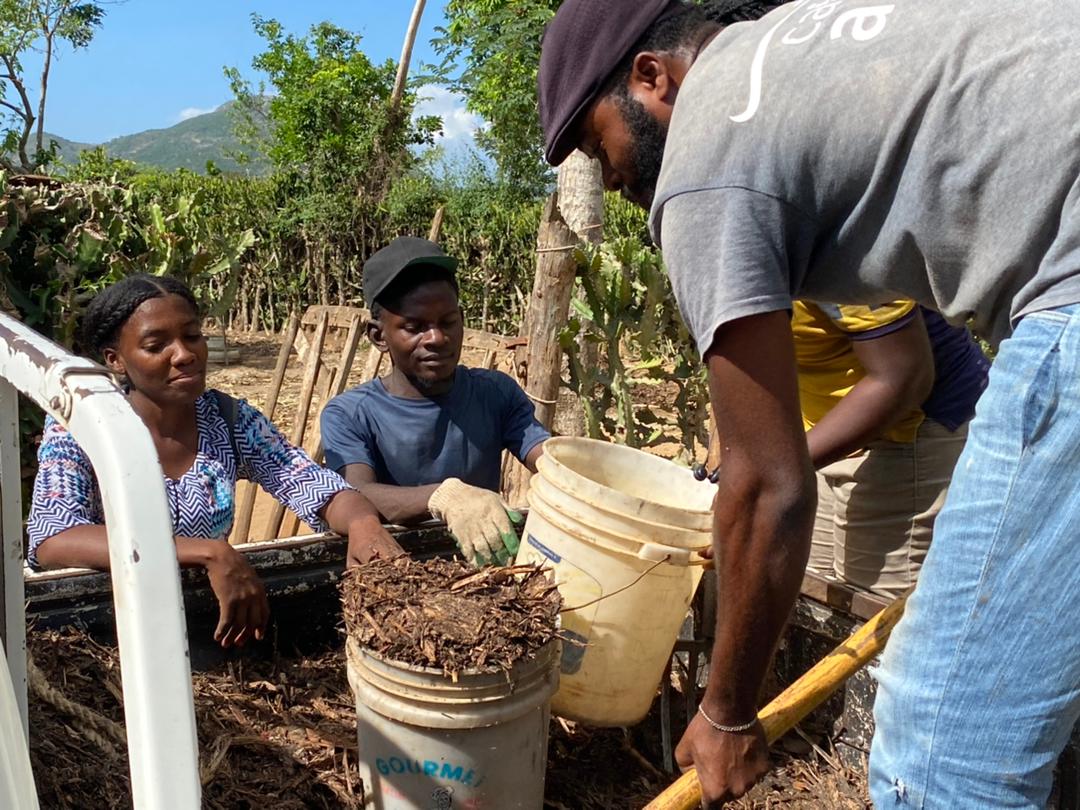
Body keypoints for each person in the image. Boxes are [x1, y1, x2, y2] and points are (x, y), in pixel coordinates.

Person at [538, 0, 1080, 807]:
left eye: (596, 143)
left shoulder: (706, 151)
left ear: (650, 79)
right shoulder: (801, 46)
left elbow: (768, 484)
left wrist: (725, 716)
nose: (609, 176)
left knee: (936, 753)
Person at [26, 274, 403, 648]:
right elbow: (54, 539)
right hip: (106, 630)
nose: (184, 354)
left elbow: (312, 484)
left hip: (211, 625)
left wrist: (363, 522)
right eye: (157, 345)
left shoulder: (228, 420)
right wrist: (207, 552)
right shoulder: (83, 429)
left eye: (192, 336)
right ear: (117, 360)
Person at [321, 237, 550, 566]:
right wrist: (443, 496)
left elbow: (546, 459)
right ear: (378, 336)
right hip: (399, 571)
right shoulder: (351, 414)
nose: (437, 339)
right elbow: (356, 492)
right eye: (414, 327)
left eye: (448, 322)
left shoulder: (495, 393)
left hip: (483, 569)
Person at [797, 300, 988, 598]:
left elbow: (903, 376)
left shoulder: (842, 261)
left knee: (873, 612)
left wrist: (772, 474)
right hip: (821, 435)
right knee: (811, 587)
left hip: (911, 430)